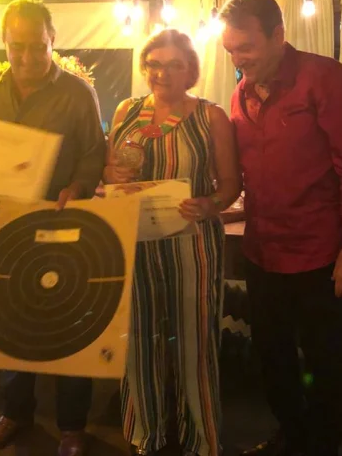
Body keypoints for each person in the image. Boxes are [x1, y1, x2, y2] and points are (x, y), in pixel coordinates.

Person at [0, 0, 106, 456]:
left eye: (37, 46)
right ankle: (14, 413)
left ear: (53, 41)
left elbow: (94, 150)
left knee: (70, 322)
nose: (27, 57)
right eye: (17, 47)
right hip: (4, 224)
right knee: (10, 321)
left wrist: (79, 185)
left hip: (61, 221)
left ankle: (72, 426)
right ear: (4, 43)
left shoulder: (77, 92)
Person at [218, 0, 342, 456]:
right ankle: (291, 436)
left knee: (326, 361)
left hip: (320, 253)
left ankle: (322, 447)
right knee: (272, 356)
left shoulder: (325, 79)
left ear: (278, 35)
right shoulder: (241, 93)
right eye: (230, 50)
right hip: (263, 250)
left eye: (246, 48)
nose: (238, 60)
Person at [104, 29, 242, 456]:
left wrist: (210, 204)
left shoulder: (210, 116)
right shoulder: (126, 111)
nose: (162, 73)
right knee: (138, 337)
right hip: (137, 241)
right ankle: (146, 433)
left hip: (192, 243)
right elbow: (109, 172)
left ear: (191, 71)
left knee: (195, 339)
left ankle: (200, 437)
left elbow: (231, 184)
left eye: (174, 65)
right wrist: (113, 176)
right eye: (154, 64)